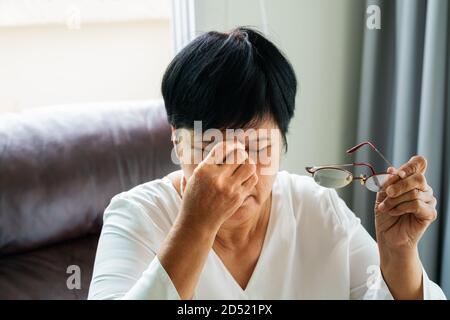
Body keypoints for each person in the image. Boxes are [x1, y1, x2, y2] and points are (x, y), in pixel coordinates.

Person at [88, 27, 446, 300]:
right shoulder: (135, 217)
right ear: (177, 142)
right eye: (211, 146)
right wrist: (197, 224)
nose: (237, 170)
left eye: (257, 146)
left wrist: (399, 255)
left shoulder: (317, 208)